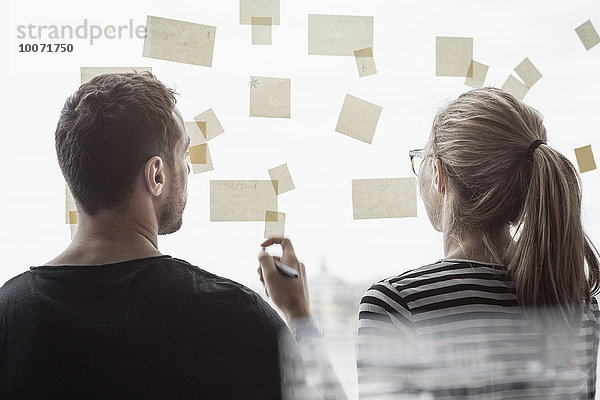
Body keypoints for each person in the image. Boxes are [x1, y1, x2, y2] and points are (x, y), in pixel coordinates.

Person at [258, 88, 600, 399]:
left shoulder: (399, 303)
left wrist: (298, 314)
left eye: (419, 159)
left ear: (439, 175)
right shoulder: (578, 303)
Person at [0, 72, 298, 399]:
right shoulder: (240, 320)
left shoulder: (8, 314)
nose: (188, 169)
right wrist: (299, 316)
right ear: (156, 174)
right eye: (183, 154)